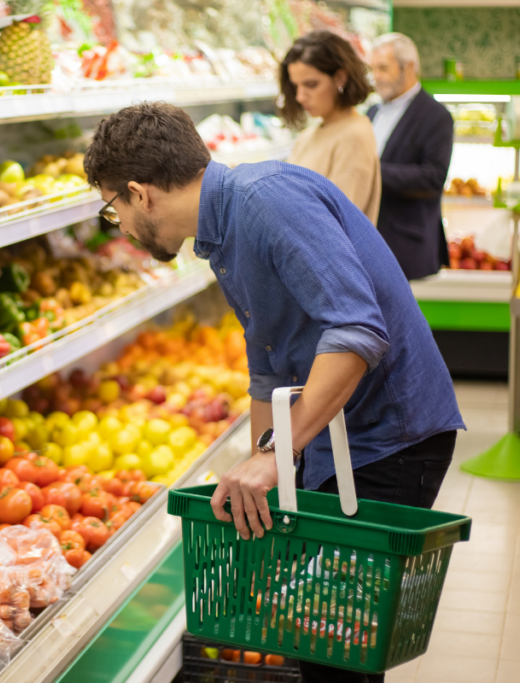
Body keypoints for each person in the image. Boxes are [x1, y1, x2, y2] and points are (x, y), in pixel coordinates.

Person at [83, 102, 464, 683]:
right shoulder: (222, 230)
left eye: (114, 210)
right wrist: (264, 453)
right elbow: (270, 364)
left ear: (140, 193)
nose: (124, 228)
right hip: (341, 434)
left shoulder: (266, 201)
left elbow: (358, 331)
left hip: (390, 436)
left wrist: (276, 455)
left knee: (340, 652)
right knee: (320, 642)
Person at [368, 33, 454, 280]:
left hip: (407, 248)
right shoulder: (372, 110)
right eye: (373, 69)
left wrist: (370, 171)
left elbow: (433, 178)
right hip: (371, 242)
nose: (376, 77)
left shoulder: (436, 116)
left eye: (383, 68)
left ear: (409, 67)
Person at [281, 30, 381, 224]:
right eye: (296, 86)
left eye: (311, 84)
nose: (300, 96)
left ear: (340, 78)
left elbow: (334, 224)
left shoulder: (354, 136)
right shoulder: (309, 135)